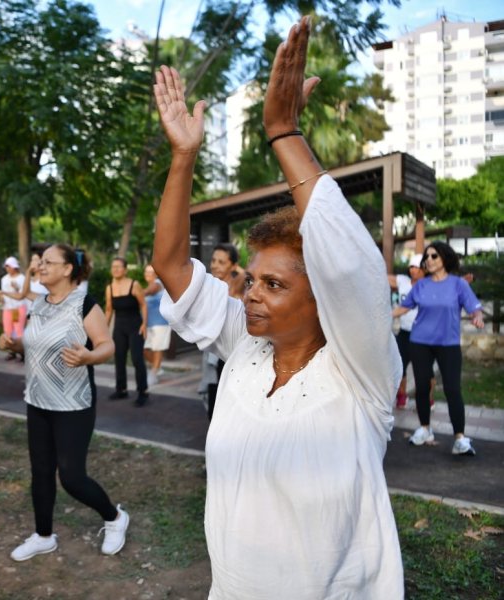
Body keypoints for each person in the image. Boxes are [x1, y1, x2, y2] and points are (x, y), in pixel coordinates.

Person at [152, 16, 403, 597]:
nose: (251, 294)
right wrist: (184, 156)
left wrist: (283, 132)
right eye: (252, 279)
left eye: (274, 284)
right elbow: (172, 266)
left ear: (323, 298)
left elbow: (351, 263)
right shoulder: (244, 347)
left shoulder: (360, 371)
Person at [0, 244, 129, 561]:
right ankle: (43, 536)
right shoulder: (38, 303)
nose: (39, 267)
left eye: (48, 262)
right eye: (39, 262)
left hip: (73, 403)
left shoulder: (84, 304)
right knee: (41, 472)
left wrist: (88, 357)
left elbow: (106, 345)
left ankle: (114, 518)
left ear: (68, 269)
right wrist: (15, 345)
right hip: (38, 400)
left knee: (71, 477)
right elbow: (34, 345)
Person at [393, 241, 484, 455]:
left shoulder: (458, 284)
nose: (429, 260)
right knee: (422, 388)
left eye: (434, 255)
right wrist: (383, 316)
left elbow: (474, 308)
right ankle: (425, 429)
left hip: (448, 344)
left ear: (445, 258)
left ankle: (460, 439)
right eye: (427, 257)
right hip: (420, 342)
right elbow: (404, 308)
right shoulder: (421, 286)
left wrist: (477, 317)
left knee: (452, 389)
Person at [200, 243, 245, 418]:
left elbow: (247, 273)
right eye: (213, 261)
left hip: (234, 352)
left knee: (231, 396)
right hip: (213, 351)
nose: (215, 265)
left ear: (233, 266)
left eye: (221, 262)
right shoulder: (208, 286)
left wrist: (236, 268)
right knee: (213, 392)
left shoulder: (237, 286)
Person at [104, 257, 148, 406]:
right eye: (113, 267)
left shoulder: (134, 284)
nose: (115, 269)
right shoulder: (109, 288)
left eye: (118, 266)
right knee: (119, 358)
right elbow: (109, 310)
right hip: (119, 328)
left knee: (137, 359)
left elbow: (143, 305)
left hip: (135, 326)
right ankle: (121, 389)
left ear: (125, 270)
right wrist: (104, 330)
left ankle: (143, 392)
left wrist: (144, 324)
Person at [388, 254, 430, 409]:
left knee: (425, 370)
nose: (413, 270)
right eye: (411, 267)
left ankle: (428, 399)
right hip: (405, 332)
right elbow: (380, 276)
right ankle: (401, 396)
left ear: (424, 269)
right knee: (399, 365)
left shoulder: (431, 284)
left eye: (417, 267)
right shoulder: (403, 281)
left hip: (423, 334)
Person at [142, 264, 170, 387]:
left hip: (161, 323)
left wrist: (137, 293)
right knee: (144, 349)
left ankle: (153, 374)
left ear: (156, 274)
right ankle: (157, 366)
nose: (148, 274)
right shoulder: (148, 285)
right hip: (148, 324)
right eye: (146, 272)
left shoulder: (158, 284)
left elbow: (150, 291)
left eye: (151, 272)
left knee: (157, 348)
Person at [0, 256, 28, 360]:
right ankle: (11, 351)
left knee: (18, 330)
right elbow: (3, 292)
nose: (7, 268)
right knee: (8, 330)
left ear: (14, 267)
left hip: (18, 307)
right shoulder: (4, 279)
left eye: (9, 266)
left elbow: (24, 293)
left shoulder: (22, 278)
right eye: (6, 266)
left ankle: (22, 351)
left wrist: (16, 288)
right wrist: (2, 298)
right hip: (7, 308)